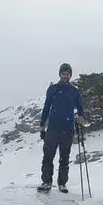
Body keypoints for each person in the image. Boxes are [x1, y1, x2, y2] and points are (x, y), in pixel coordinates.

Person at [38, 63, 85, 192]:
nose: (65, 76)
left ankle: (62, 183)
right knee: (48, 156)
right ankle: (46, 182)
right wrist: (42, 125)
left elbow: (80, 108)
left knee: (64, 157)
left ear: (70, 75)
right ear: (60, 74)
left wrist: (81, 117)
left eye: (67, 74)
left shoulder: (74, 91)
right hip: (53, 127)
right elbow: (46, 107)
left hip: (68, 128)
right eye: (63, 74)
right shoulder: (52, 89)